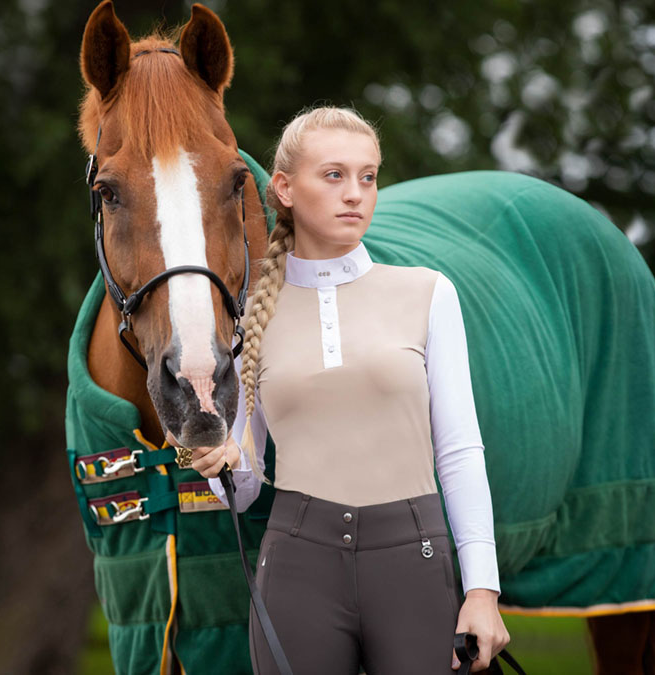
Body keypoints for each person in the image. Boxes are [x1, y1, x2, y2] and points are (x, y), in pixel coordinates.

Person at [181, 106, 510, 673]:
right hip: (296, 566)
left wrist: (482, 591)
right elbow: (242, 490)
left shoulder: (428, 294)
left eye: (368, 176)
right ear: (283, 188)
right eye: (333, 175)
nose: (355, 193)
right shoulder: (245, 317)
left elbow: (459, 452)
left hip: (415, 557)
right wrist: (222, 461)